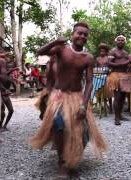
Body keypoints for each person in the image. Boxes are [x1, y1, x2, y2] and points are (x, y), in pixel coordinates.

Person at [30, 22, 107, 177]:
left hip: (78, 97)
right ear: (73, 34)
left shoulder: (88, 58)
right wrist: (55, 42)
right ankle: (62, 162)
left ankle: (73, 161)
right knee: (59, 126)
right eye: (79, 33)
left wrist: (84, 105)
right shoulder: (61, 49)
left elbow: (90, 82)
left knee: (81, 132)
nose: (82, 36)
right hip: (59, 96)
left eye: (85, 34)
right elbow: (39, 52)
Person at [106, 35, 131, 125]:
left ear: (124, 42)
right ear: (116, 42)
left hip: (125, 75)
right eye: (119, 40)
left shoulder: (125, 52)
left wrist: (129, 65)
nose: (121, 41)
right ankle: (116, 118)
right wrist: (123, 63)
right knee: (117, 97)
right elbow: (108, 63)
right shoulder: (112, 51)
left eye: (122, 40)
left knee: (123, 97)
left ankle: (120, 115)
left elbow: (128, 64)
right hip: (115, 75)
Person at [35, 55, 57, 120]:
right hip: (49, 90)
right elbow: (43, 80)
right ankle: (44, 114)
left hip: (55, 89)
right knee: (46, 103)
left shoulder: (58, 66)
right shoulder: (46, 69)